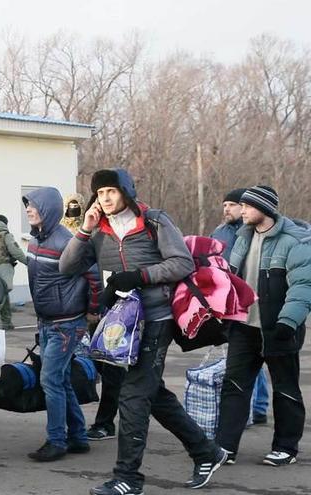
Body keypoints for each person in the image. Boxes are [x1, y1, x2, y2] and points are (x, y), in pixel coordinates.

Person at [60, 168, 227, 494]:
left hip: (157, 319)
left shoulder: (154, 221)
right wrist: (84, 229)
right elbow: (66, 267)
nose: (105, 198)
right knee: (153, 394)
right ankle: (207, 451)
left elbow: (182, 263)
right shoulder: (99, 231)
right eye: (100, 193)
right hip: (122, 327)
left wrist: (138, 277)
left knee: (134, 397)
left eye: (111, 191)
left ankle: (128, 479)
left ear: (126, 191)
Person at [216, 186, 310, 467]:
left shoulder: (295, 240)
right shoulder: (242, 238)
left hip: (279, 327)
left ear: (264, 209)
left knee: (285, 387)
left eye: (246, 206)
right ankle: (224, 448)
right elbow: (230, 280)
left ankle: (286, 448)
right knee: (233, 386)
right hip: (244, 328)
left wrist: (287, 322)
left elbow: (303, 286)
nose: (241, 210)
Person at [23, 188, 99, 462]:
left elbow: (93, 276)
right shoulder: (34, 242)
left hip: (66, 324)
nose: (28, 210)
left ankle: (56, 441)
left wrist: (92, 311)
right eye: (27, 206)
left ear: (48, 209)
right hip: (47, 321)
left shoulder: (67, 241)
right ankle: (78, 437)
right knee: (61, 379)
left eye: (33, 206)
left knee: (50, 380)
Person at [61, 192, 124, 441]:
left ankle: (106, 422)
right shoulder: (87, 235)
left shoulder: (114, 236)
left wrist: (95, 308)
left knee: (112, 369)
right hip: (92, 311)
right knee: (104, 367)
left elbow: (96, 278)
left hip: (113, 310)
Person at [210, 187, 270, 427]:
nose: (227, 209)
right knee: (238, 359)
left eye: (232, 205)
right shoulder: (219, 231)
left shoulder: (251, 231)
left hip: (251, 299)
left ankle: (259, 407)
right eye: (225, 205)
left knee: (254, 357)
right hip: (227, 297)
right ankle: (240, 409)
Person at [0, 214, 27, 330]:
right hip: (3, 268)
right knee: (1, 295)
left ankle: (7, 322)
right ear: (5, 224)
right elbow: (16, 251)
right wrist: (29, 262)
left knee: (4, 294)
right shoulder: (6, 235)